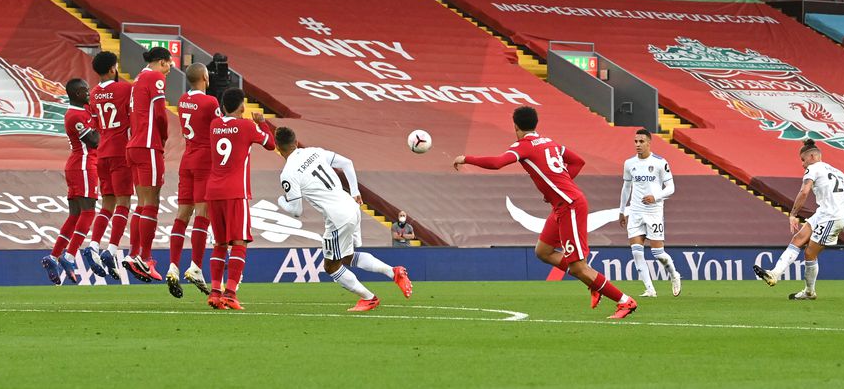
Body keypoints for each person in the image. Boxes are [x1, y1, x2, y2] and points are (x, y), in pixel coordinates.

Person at [454, 105, 637, 319]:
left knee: (578, 267)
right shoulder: (549, 142)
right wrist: (559, 185)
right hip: (561, 205)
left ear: (515, 126)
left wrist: (466, 158)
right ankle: (593, 282)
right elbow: (578, 161)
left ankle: (625, 301)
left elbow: (497, 163)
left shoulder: (524, 146)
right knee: (543, 251)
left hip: (570, 205)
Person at [274, 127, 412, 311]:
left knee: (330, 266)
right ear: (296, 141)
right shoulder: (314, 152)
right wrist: (355, 192)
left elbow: (296, 210)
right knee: (346, 256)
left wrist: (281, 201)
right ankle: (393, 272)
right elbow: (347, 163)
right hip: (351, 206)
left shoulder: (288, 173)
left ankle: (368, 298)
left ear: (277, 147)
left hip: (338, 218)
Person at [753, 139, 844, 300]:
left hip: (831, 217)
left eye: (803, 160)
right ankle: (774, 274)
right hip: (824, 214)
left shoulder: (813, 169)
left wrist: (793, 214)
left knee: (809, 253)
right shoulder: (837, 172)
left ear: (813, 156)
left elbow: (804, 192)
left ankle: (809, 291)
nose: (802, 165)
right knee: (798, 238)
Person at [205, 87, 276, 310]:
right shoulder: (247, 126)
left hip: (213, 191)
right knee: (239, 242)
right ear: (243, 106)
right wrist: (262, 123)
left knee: (219, 243)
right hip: (236, 191)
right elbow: (271, 144)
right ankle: (231, 293)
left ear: (223, 106)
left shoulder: (214, 125)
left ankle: (215, 293)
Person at [166, 63, 221, 298]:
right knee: (202, 214)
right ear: (205, 77)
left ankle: (173, 266)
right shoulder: (211, 103)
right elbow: (219, 129)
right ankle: (196, 266)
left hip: (186, 159)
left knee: (182, 215)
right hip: (204, 160)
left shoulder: (182, 100)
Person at [42, 79, 100, 284]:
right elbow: (93, 141)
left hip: (78, 165)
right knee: (89, 211)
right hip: (83, 166)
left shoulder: (84, 110)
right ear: (75, 93)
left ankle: (53, 256)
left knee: (75, 215)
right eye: (85, 90)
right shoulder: (74, 115)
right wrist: (104, 125)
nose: (88, 93)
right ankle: (69, 256)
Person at [122, 46, 172, 283]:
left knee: (141, 203)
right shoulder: (155, 77)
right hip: (148, 145)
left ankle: (133, 255)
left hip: (133, 145)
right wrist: (163, 136)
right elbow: (161, 113)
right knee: (152, 202)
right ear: (161, 62)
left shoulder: (137, 80)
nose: (170, 68)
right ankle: (146, 257)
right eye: (169, 63)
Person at [85, 51, 132, 280]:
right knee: (124, 203)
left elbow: (94, 123)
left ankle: (93, 245)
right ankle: (111, 250)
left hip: (102, 152)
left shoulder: (93, 94)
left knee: (107, 204)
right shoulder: (125, 90)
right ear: (113, 68)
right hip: (121, 151)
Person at [619, 128, 681, 298]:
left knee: (657, 253)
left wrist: (655, 196)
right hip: (636, 211)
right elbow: (626, 188)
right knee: (637, 251)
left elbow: (671, 188)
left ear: (649, 143)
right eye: (635, 141)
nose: (638, 145)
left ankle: (674, 275)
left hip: (653, 211)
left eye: (641, 141)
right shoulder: (629, 163)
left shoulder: (660, 163)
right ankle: (650, 289)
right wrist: (622, 210)